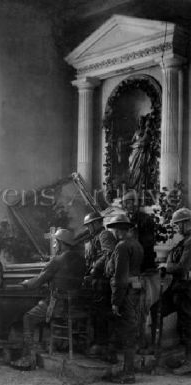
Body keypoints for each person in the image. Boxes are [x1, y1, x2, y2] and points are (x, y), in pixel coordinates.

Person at [11, 229, 86, 370]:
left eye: (56, 242)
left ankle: (28, 358)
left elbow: (37, 282)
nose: (55, 245)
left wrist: (26, 282)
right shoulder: (81, 260)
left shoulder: (57, 260)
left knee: (28, 317)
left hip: (58, 305)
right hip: (74, 305)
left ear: (60, 243)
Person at [150, 208, 191, 375]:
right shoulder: (184, 241)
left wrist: (166, 266)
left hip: (187, 289)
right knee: (156, 310)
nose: (177, 228)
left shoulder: (190, 242)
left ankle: (189, 362)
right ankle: (156, 351)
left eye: (179, 225)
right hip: (178, 288)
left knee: (187, 325)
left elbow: (182, 267)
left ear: (187, 222)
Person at [105, 214, 144, 384]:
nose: (113, 232)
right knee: (131, 329)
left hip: (125, 292)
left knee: (128, 332)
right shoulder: (137, 244)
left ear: (118, 230)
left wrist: (115, 301)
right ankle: (127, 371)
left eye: (114, 229)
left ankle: (128, 374)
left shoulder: (121, 246)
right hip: (135, 291)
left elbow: (120, 277)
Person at [83, 211, 117, 360]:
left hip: (103, 281)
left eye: (90, 225)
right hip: (96, 281)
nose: (89, 228)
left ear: (97, 223)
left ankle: (105, 347)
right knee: (97, 313)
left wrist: (94, 268)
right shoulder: (94, 238)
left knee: (102, 313)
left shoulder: (104, 235)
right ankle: (99, 344)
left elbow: (108, 253)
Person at [129, 114, 153, 191]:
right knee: (132, 167)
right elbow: (132, 141)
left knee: (140, 168)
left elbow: (147, 141)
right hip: (135, 151)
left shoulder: (146, 131)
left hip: (142, 153)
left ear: (144, 122)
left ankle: (139, 187)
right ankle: (133, 186)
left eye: (142, 121)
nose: (140, 122)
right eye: (139, 121)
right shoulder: (136, 132)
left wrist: (141, 144)